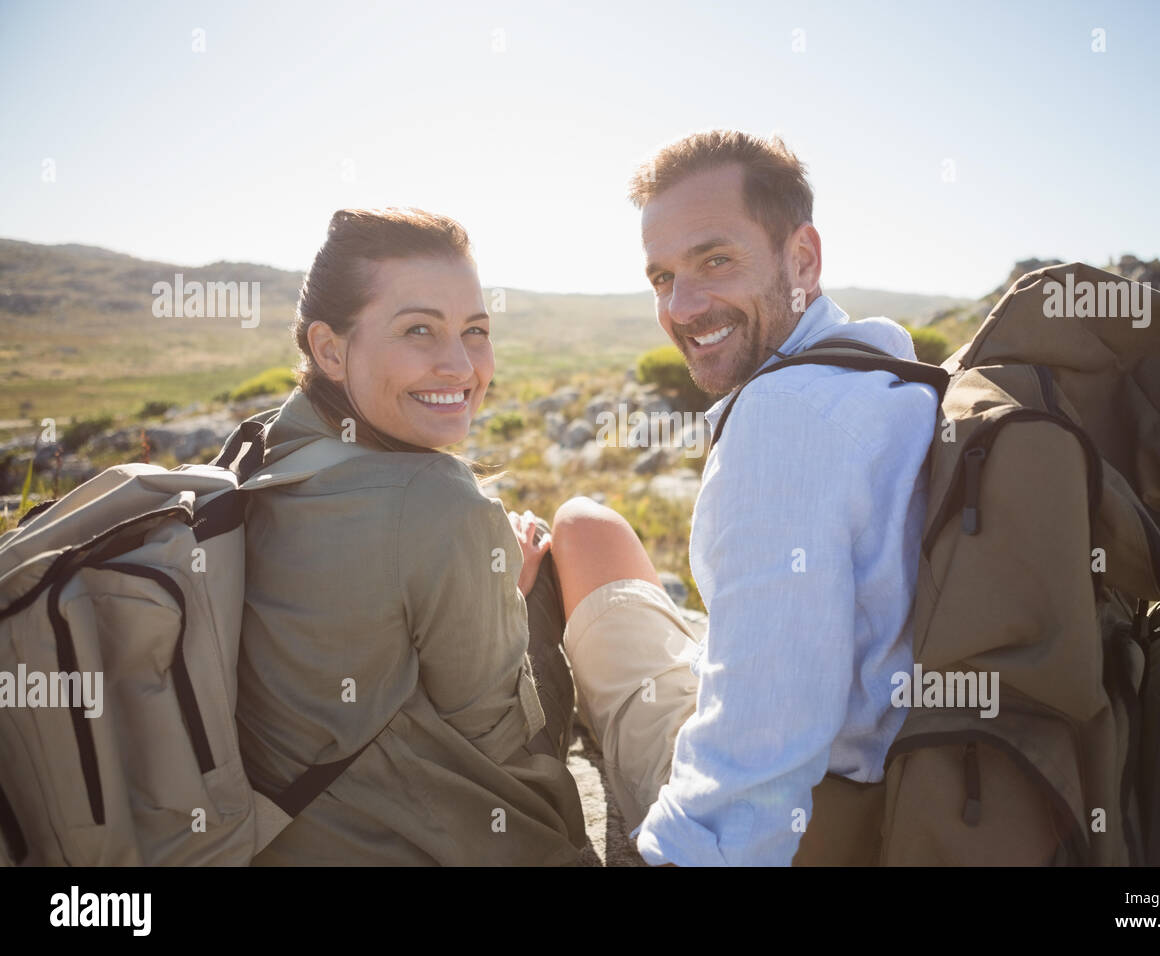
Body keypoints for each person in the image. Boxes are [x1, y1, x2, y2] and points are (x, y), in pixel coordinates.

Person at [553, 130, 941, 865]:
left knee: (576, 531)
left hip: (818, 813)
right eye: (662, 277)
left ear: (803, 258)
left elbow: (752, 775)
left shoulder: (783, 419)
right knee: (596, 536)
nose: (683, 306)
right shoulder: (892, 370)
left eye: (715, 260)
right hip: (899, 754)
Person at [236, 207, 588, 865]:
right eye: (418, 330)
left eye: (475, 330)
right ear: (329, 348)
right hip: (398, 838)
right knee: (547, 560)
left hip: (274, 830)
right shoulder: (439, 501)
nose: (459, 365)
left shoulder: (263, 447)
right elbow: (495, 743)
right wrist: (506, 605)